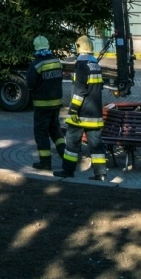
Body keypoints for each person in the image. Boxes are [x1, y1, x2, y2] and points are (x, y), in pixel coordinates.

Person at [56, 35, 108, 181]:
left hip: (80, 114)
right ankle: (101, 173)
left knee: (71, 143)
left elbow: (80, 92)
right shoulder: (95, 65)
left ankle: (68, 171)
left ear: (79, 48)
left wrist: (73, 111)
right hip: (95, 114)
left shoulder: (81, 66)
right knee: (96, 145)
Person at [26, 36, 65, 170]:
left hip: (42, 105)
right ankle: (66, 157)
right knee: (55, 130)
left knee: (41, 132)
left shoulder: (36, 64)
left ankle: (45, 163)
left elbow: (30, 84)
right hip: (56, 104)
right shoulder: (57, 62)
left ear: (35, 48)